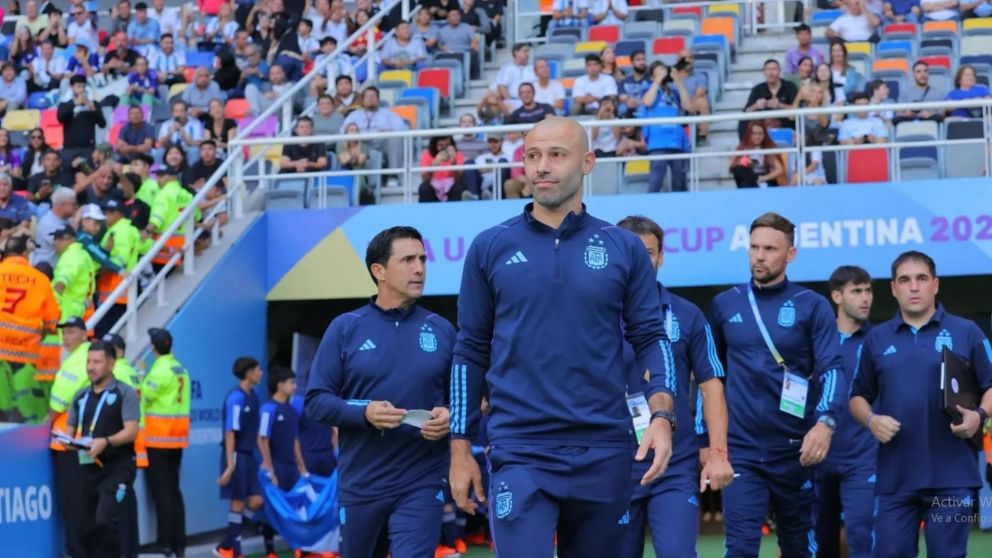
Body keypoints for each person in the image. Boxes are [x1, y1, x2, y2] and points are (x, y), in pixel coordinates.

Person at [448, 117, 676, 558]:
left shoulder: (623, 247)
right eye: (532, 156)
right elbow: (469, 350)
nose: (541, 166)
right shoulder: (489, 246)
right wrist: (460, 446)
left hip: (605, 448)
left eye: (556, 155)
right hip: (519, 448)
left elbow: (651, 337)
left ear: (587, 162)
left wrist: (662, 417)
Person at [306, 226, 456, 558]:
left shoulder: (442, 330)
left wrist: (450, 413)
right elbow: (316, 402)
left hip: (422, 480)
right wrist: (364, 412)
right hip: (362, 484)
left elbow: (465, 398)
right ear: (379, 271)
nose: (419, 268)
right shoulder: (346, 328)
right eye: (407, 260)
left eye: (422, 259)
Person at [708, 212, 845, 558]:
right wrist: (707, 443)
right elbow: (712, 378)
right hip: (741, 451)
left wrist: (825, 424)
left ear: (790, 254)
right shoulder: (726, 304)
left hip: (796, 450)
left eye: (770, 248)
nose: (759, 255)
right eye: (754, 247)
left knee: (799, 546)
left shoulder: (812, 306)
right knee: (739, 548)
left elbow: (832, 369)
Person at [850, 251, 992, 557]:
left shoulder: (967, 332)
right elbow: (857, 396)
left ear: (936, 285)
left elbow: (990, 386)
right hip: (895, 483)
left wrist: (979, 415)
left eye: (922, 279)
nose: (914, 287)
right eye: (905, 280)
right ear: (893, 288)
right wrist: (872, 420)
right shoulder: (875, 340)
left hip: (951, 482)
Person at [615, 215, 734, 558]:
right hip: (613, 466)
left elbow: (711, 385)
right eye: (630, 254)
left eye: (648, 253)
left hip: (674, 463)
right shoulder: (593, 313)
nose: (639, 263)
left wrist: (717, 452)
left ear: (661, 256)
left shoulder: (687, 314)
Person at [815, 266, 876, 558]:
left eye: (868, 291)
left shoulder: (879, 341)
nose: (865, 298)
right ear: (837, 296)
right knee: (820, 543)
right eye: (857, 291)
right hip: (816, 457)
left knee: (862, 538)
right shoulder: (814, 342)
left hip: (864, 459)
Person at [60, 341, 139, 558]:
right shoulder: (80, 395)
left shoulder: (125, 392)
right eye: (88, 361)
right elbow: (70, 430)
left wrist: (106, 441)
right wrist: (67, 440)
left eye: (97, 362)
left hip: (118, 466)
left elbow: (131, 431)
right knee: (84, 524)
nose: (90, 367)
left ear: (111, 364)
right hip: (88, 466)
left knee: (105, 520)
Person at [0, 235, 60, 424]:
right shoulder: (41, 280)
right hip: (25, 354)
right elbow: (52, 323)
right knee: (21, 407)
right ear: (25, 253)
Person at [141, 327, 189, 558]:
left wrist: (140, 376)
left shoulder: (158, 370)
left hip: (158, 440)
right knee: (174, 491)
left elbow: (144, 395)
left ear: (154, 348)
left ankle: (166, 544)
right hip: (177, 439)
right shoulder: (180, 368)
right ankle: (179, 542)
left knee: (162, 494)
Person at [47, 316, 91, 558]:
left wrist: (46, 421)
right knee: (83, 500)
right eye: (64, 333)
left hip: (68, 444)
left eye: (72, 332)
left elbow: (60, 399)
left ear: (84, 334)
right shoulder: (92, 357)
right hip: (83, 444)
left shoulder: (78, 360)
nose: (66, 337)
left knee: (73, 502)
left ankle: (76, 552)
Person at [216, 356, 265, 558]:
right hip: (235, 455)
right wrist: (230, 465)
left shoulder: (253, 396)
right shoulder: (236, 398)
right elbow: (230, 432)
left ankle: (226, 545)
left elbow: (255, 432)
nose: (261, 373)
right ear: (249, 373)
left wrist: (263, 461)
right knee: (237, 502)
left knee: (256, 500)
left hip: (249, 456)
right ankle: (234, 552)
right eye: (258, 369)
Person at [258, 366, 308, 557]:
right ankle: (270, 550)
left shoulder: (292, 410)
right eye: (291, 383)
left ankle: (300, 550)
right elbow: (262, 439)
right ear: (280, 385)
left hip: (291, 468)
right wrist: (270, 469)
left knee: (297, 506)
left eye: (295, 383)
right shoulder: (268, 409)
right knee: (272, 509)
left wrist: (302, 467)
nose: (294, 387)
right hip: (276, 466)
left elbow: (295, 440)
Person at [57, 74, 107, 172]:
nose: (82, 90)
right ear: (72, 87)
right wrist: (74, 104)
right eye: (78, 87)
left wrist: (93, 110)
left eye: (84, 87)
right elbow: (60, 118)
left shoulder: (93, 103)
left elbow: (102, 124)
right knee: (68, 175)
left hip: (88, 148)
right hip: (69, 148)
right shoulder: (65, 103)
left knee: (89, 173)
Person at [51, 224, 95, 321]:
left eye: (61, 239)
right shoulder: (82, 253)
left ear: (73, 239)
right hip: (80, 309)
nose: (56, 243)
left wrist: (51, 306)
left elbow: (62, 282)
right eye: (55, 238)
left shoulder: (70, 256)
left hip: (68, 311)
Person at [730, 121, 786, 188]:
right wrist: (745, 162)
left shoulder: (768, 148)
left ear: (764, 135)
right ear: (749, 134)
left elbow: (780, 170)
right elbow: (732, 166)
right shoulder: (743, 147)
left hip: (764, 177)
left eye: (760, 133)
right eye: (754, 133)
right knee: (739, 170)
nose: (757, 136)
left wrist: (763, 178)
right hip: (748, 177)